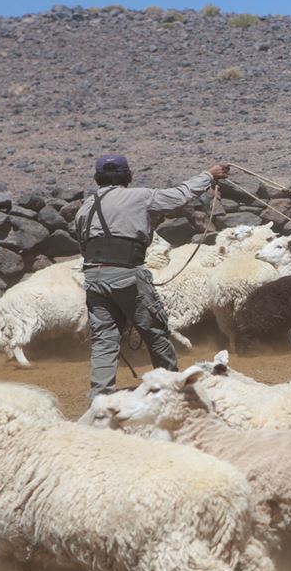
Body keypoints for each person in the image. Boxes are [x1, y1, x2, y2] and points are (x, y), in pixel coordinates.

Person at [73, 154, 229, 399]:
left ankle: (100, 398)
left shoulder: (84, 207)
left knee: (104, 339)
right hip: (127, 274)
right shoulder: (140, 196)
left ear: (97, 178)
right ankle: (172, 388)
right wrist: (209, 176)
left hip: (93, 277)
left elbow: (83, 244)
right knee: (155, 332)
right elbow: (179, 196)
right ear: (128, 176)